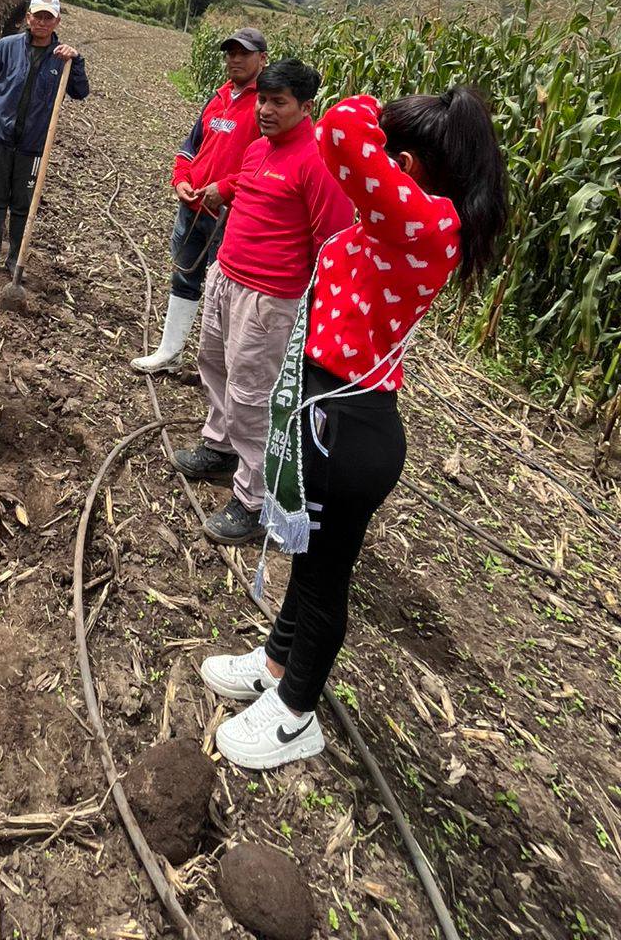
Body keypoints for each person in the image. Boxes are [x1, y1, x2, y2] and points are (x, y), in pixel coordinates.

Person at [202, 87, 508, 770]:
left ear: (407, 165)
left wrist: (381, 110)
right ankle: (276, 665)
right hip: (329, 412)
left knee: (323, 577)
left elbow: (339, 124)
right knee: (308, 557)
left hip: (348, 428)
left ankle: (296, 713)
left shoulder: (427, 223)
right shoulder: (404, 223)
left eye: (391, 156)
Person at [172, 60, 353, 544]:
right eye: (262, 100)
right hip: (227, 278)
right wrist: (221, 188)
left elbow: (332, 241)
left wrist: (314, 309)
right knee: (215, 367)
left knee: (252, 395)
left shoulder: (317, 163)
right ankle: (220, 447)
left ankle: (254, 498)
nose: (265, 110)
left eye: (279, 102)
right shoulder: (258, 148)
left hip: (270, 299)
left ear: (306, 107)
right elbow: (246, 182)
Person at [132, 27, 267, 373]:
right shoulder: (218, 97)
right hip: (193, 207)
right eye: (231, 53)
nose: (235, 59)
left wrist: (227, 188)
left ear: (263, 59)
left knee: (225, 292)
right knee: (183, 277)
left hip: (231, 216)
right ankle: (170, 352)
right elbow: (190, 147)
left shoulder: (265, 106)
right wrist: (181, 180)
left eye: (244, 53)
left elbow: (268, 164)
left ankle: (220, 371)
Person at [0, 0, 88, 274]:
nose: (42, 22)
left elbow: (80, 92)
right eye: (38, 16)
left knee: (23, 202)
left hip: (34, 145)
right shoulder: (7, 47)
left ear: (57, 21)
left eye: (48, 17)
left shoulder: (63, 59)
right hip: (0, 137)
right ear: (28, 17)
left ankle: (14, 258)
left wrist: (77, 61)